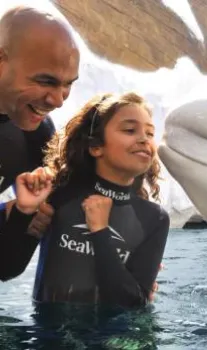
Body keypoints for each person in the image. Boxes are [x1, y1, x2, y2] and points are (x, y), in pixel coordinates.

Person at [9, 92, 170, 308]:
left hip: (116, 340)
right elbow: (6, 269)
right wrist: (23, 211)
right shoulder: (59, 196)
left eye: (150, 133)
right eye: (130, 130)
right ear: (96, 147)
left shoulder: (154, 218)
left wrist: (100, 231)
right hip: (48, 338)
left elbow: (134, 303)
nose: (144, 139)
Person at [0, 5, 80, 280]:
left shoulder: (36, 134)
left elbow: (6, 267)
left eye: (67, 84)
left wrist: (22, 213)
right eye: (46, 81)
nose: (57, 100)